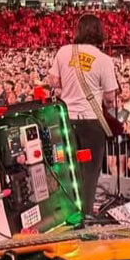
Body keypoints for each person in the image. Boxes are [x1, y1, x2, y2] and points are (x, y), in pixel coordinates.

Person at [47, 13, 118, 215]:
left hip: (66, 120)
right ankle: (85, 216)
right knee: (89, 173)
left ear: (78, 31)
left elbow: (52, 81)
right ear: (99, 33)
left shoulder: (63, 52)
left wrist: (68, 86)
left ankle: (65, 213)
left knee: (68, 169)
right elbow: (110, 97)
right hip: (91, 123)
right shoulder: (104, 59)